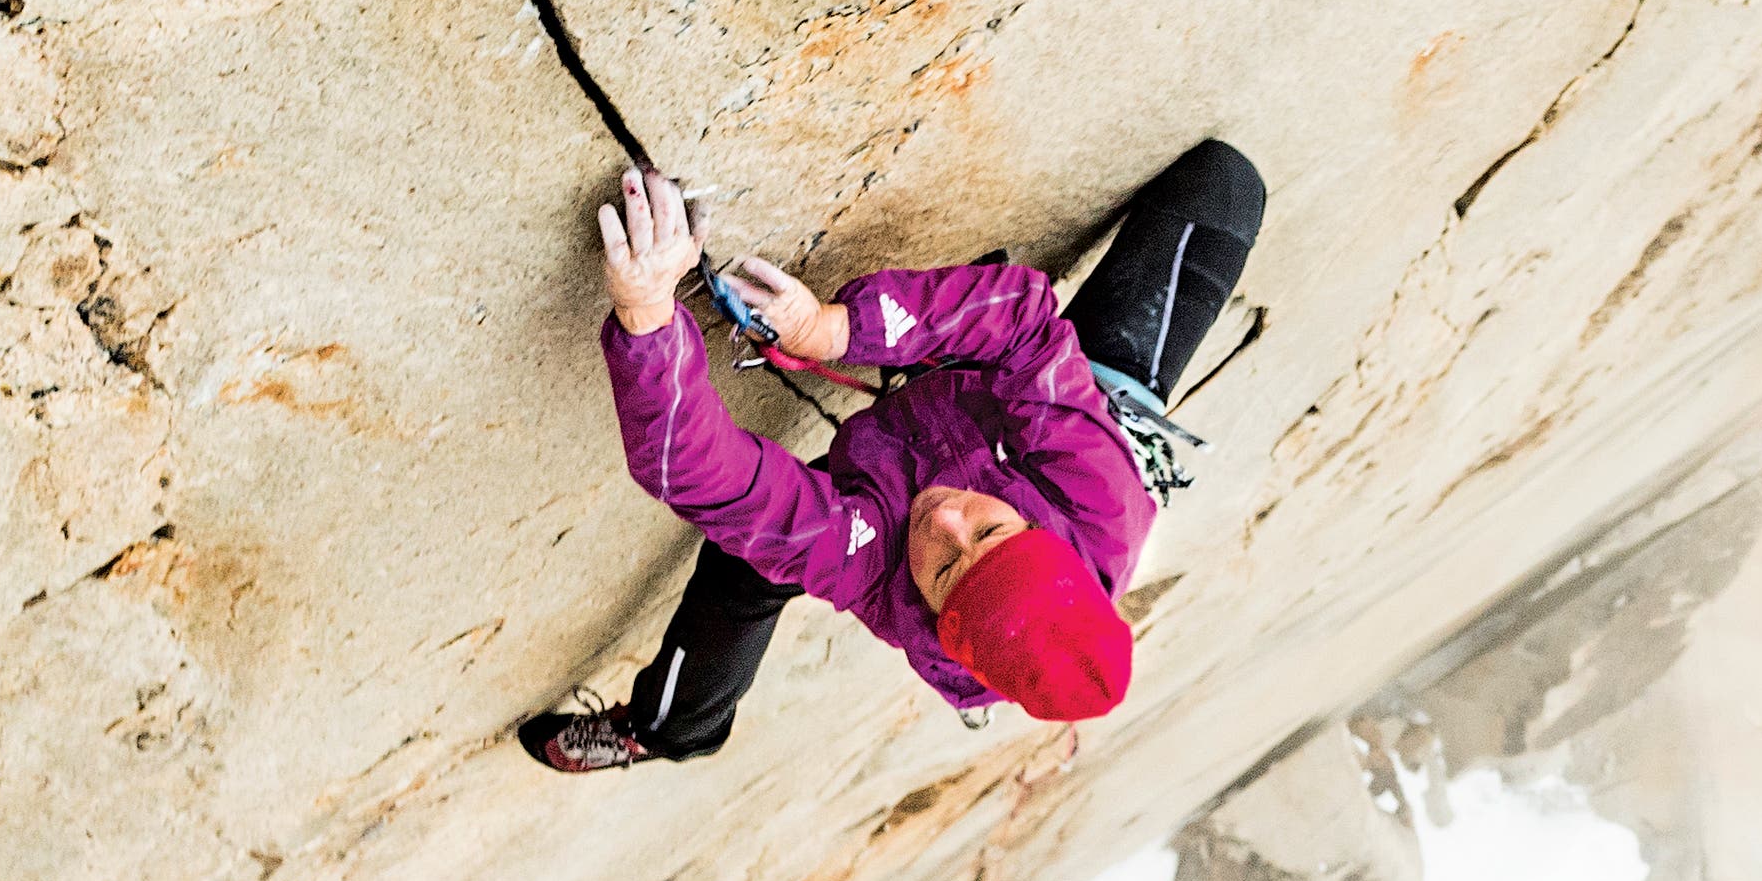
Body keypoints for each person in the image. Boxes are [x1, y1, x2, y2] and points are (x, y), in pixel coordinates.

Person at [519, 141, 1264, 771]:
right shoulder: (1092, 490)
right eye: (991, 532)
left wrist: (647, 312)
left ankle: (666, 729)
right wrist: (837, 331)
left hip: (920, 475)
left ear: (931, 611)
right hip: (1063, 418)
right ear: (1042, 532)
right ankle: (956, 379)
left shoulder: (877, 572)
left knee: (743, 558)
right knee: (1226, 187)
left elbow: (706, 476)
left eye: (945, 568)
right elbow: (1022, 324)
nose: (944, 519)